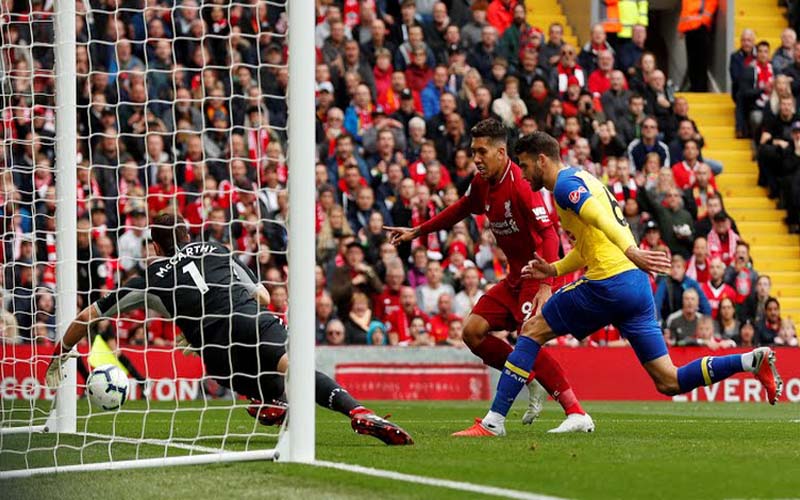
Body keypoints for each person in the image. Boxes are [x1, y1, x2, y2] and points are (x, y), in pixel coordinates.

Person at [452, 132, 783, 437]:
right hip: (635, 287)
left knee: (532, 329)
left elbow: (600, 217)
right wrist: (553, 268)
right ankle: (749, 361)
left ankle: (494, 422)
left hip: (609, 282)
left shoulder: (565, 185)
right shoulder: (581, 179)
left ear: (541, 160)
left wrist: (632, 250)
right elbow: (587, 246)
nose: (523, 174)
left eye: (524, 166)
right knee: (669, 380)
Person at [46, 213, 413, 446]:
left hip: (214, 349)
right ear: (188, 234)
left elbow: (87, 316)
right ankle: (357, 411)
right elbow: (263, 295)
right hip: (250, 320)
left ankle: (274, 401)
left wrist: (59, 353)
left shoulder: (149, 278)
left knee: (229, 374)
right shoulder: (215, 248)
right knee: (294, 368)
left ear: (155, 245)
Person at [384, 119, 593, 433]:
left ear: (501, 152)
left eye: (482, 151)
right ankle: (529, 379)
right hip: (515, 277)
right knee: (472, 332)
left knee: (529, 337)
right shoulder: (482, 183)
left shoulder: (521, 185)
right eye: (473, 152)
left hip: (537, 275)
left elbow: (549, 234)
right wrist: (418, 231)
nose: (476, 158)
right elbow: (462, 207)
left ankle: (574, 412)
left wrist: (546, 284)